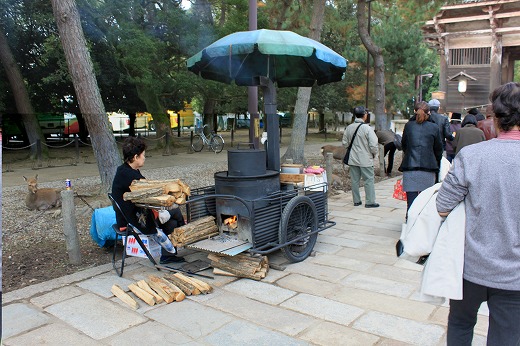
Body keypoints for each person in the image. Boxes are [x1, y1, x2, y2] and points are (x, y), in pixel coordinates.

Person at [436, 82, 520, 346]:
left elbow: (443, 206)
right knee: (507, 337)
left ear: (495, 118)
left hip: (469, 266)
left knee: (460, 325)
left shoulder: (471, 156)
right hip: (514, 274)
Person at [111, 137, 185, 264]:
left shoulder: (125, 169)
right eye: (143, 155)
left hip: (134, 212)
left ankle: (168, 255)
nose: (145, 158)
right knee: (176, 211)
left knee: (172, 223)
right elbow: (147, 196)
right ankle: (186, 235)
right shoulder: (130, 176)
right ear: (135, 157)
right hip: (132, 219)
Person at [399, 101, 443, 214]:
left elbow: (404, 144)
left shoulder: (409, 126)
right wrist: (436, 162)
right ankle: (422, 227)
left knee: (411, 203)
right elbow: (438, 149)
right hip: (428, 167)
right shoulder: (434, 127)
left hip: (410, 167)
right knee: (426, 202)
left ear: (415, 112)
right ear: (429, 113)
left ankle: (410, 223)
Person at [342, 106, 379, 208]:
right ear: (365, 115)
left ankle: (356, 201)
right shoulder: (367, 128)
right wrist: (373, 153)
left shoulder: (349, 128)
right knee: (368, 180)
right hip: (365, 159)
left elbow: (344, 143)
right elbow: (373, 145)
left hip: (353, 158)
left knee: (354, 180)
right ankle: (370, 201)